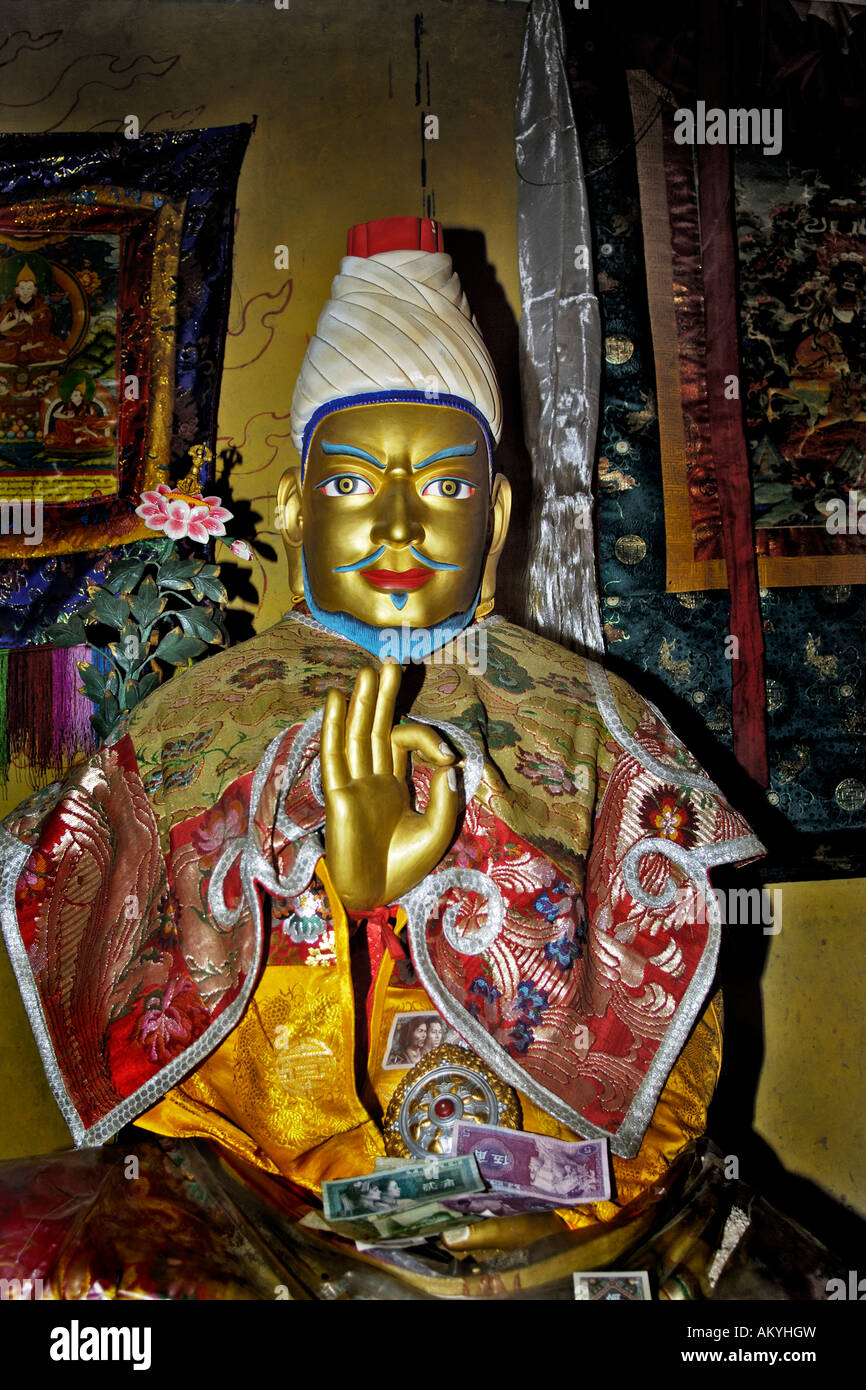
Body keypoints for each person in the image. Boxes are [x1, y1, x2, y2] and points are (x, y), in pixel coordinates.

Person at [0, 218, 762, 1274]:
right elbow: (148, 1035)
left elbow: (676, 1031)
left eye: (443, 489)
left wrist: (578, 1217)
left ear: (495, 521)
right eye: (353, 485)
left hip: (548, 1210)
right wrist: (337, 902)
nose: (397, 524)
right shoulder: (195, 723)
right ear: (295, 505)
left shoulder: (596, 727)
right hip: (266, 1197)